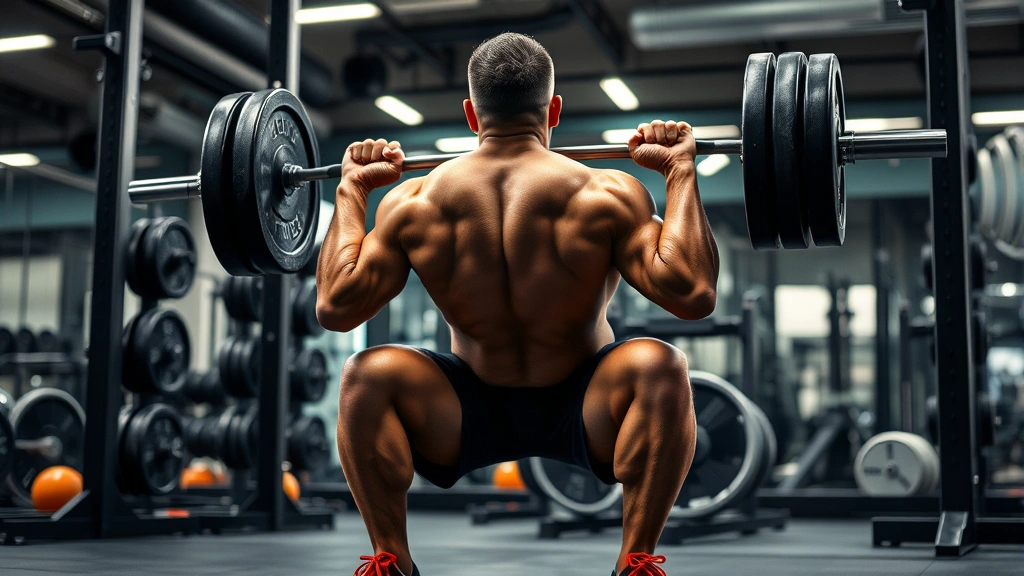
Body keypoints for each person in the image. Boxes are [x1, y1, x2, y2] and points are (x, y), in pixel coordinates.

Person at [317, 32, 719, 576]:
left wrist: (351, 191)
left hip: (465, 412)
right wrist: (680, 172)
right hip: (588, 407)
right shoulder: (605, 192)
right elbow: (693, 293)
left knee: (364, 376)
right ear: (554, 110)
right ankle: (637, 556)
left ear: (470, 114)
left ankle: (394, 556)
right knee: (662, 366)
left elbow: (335, 307)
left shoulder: (413, 201)